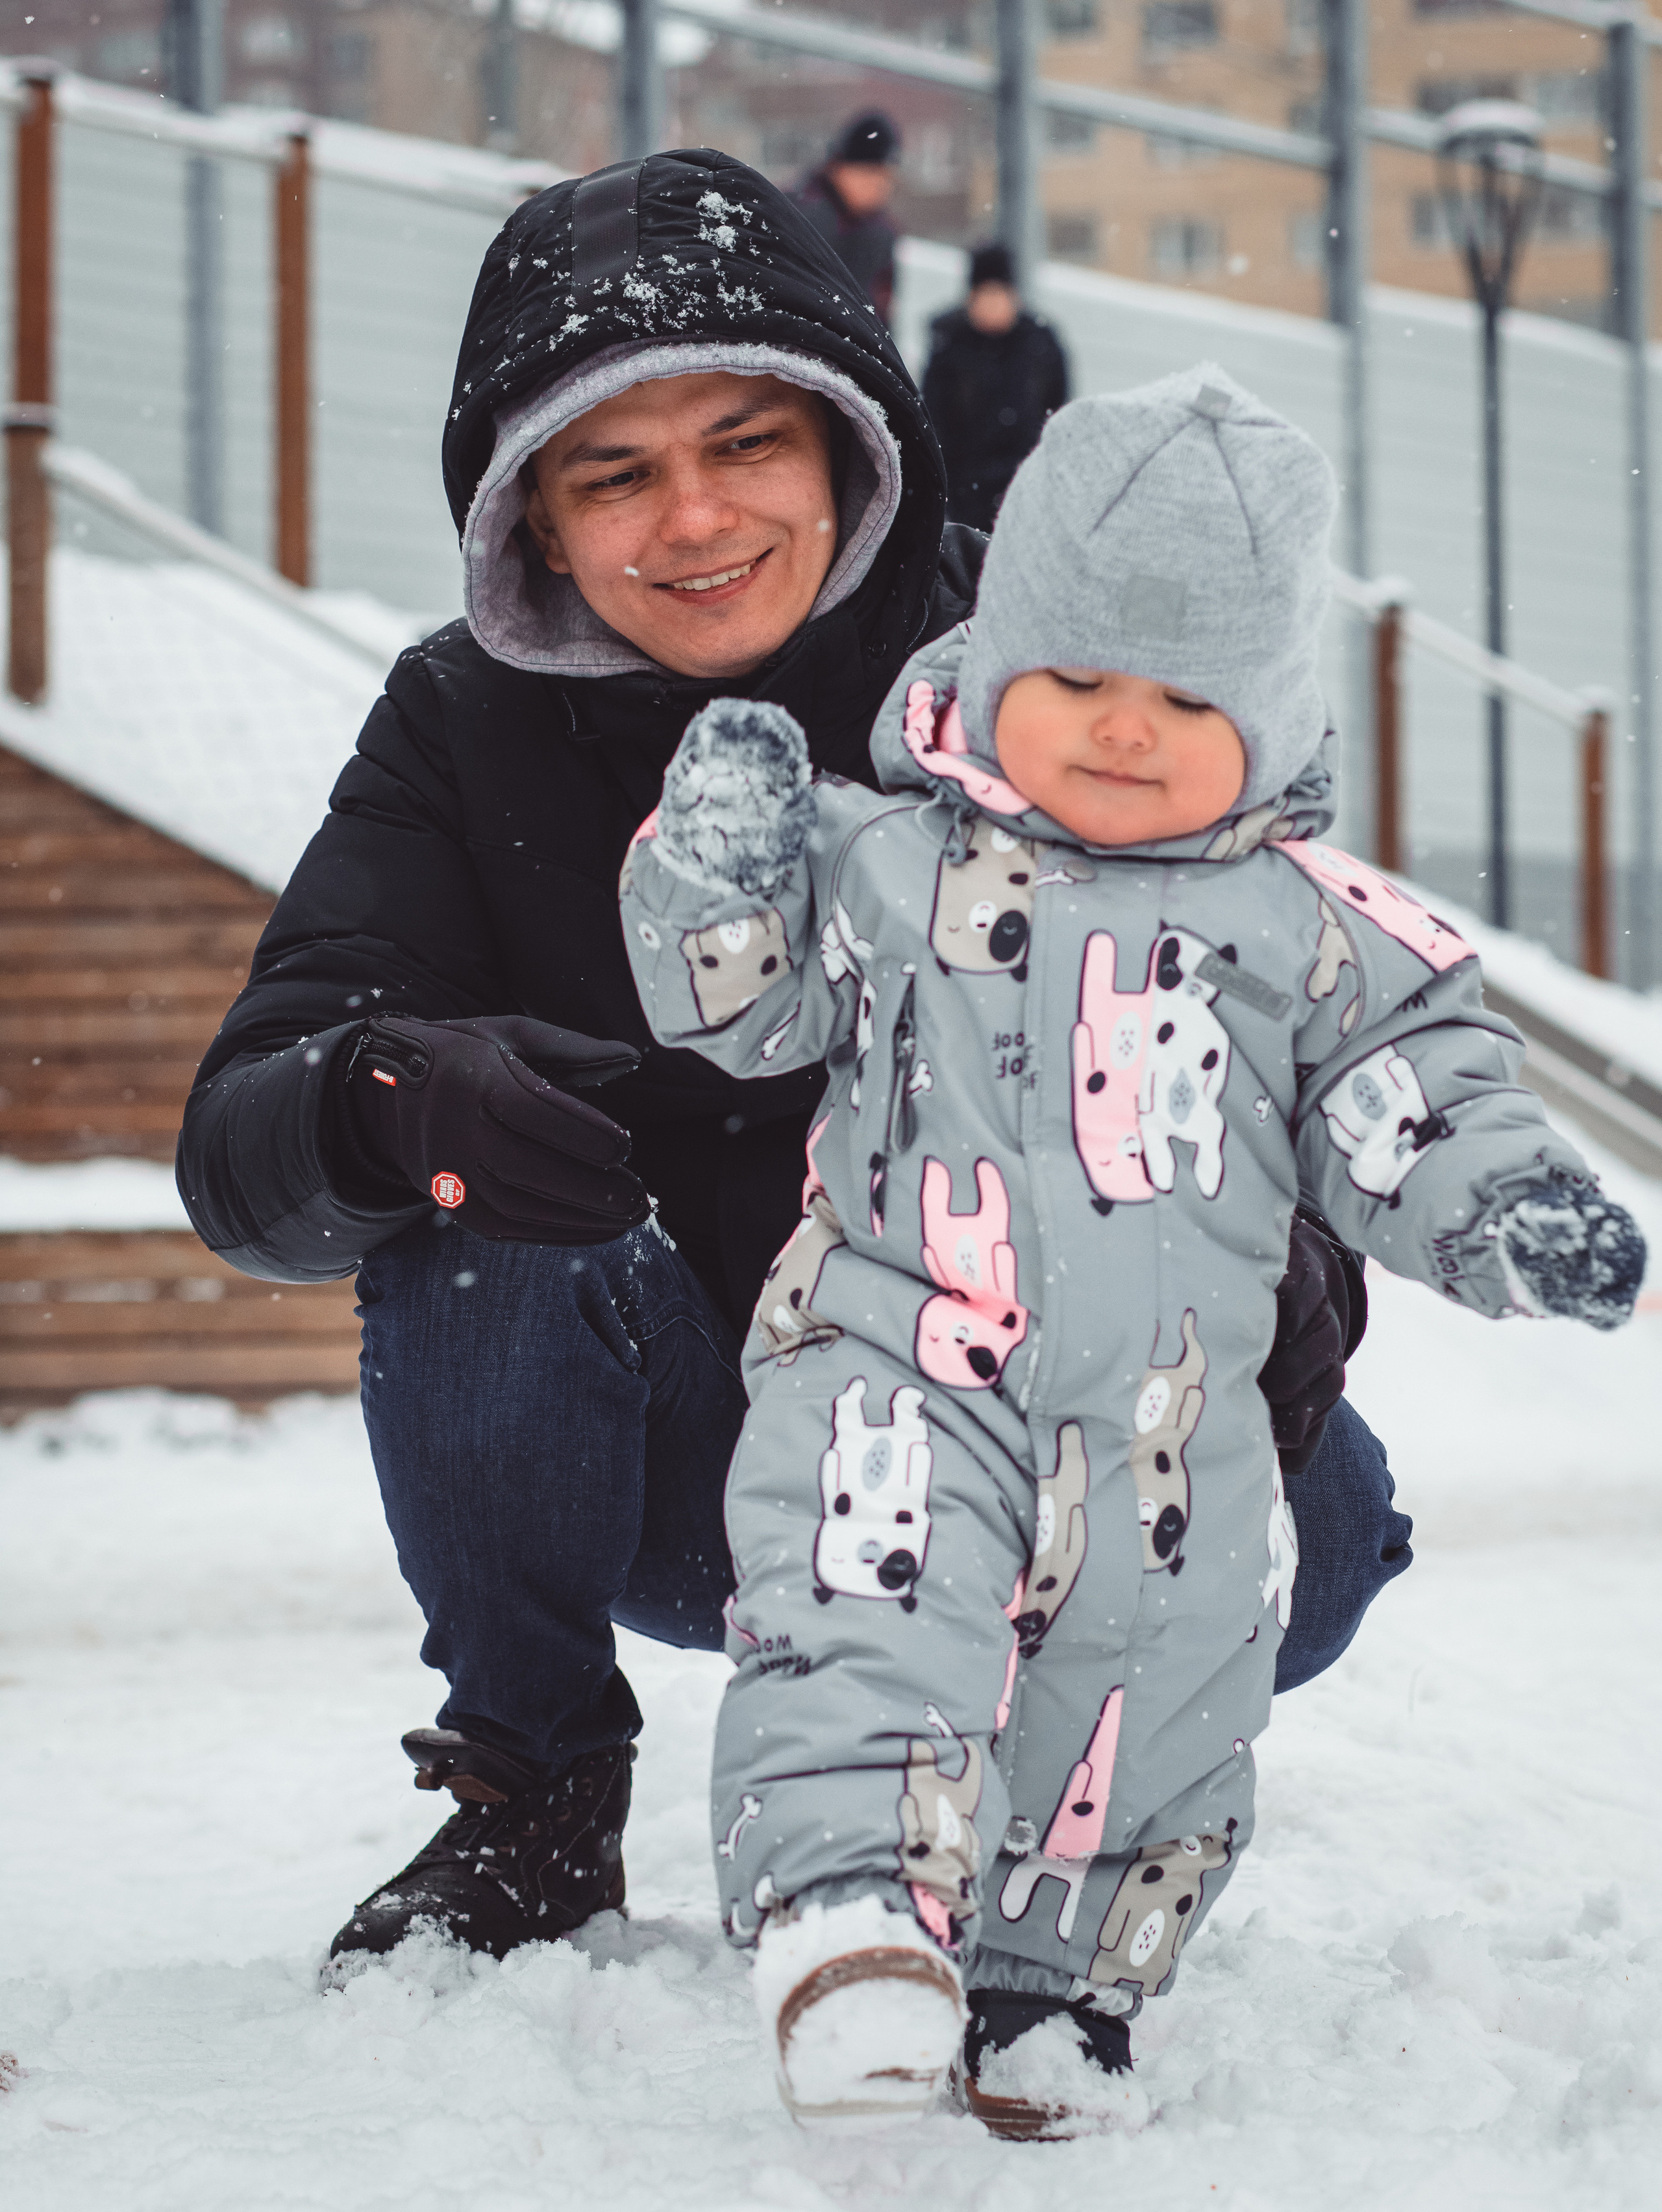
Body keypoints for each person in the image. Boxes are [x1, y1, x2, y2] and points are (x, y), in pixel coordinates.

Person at [176, 155, 1408, 1982]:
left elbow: (1284, 1019)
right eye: (615, 469)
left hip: (1032, 1445)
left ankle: (1017, 1745)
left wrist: (1291, 1245)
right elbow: (243, 1147)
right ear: (535, 515)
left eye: (744, 441)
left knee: (1294, 1503)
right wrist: (390, 1099)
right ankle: (534, 1787)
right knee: (455, 1184)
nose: (692, 516)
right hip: (693, 1471)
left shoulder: (1053, 689)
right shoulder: (461, 724)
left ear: (848, 441)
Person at [618, 366, 1645, 2136]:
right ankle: (850, 1917)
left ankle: (1054, 1991)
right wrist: (720, 866)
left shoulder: (1318, 935)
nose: (1118, 726)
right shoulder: (889, 865)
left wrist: (1501, 1199)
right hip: (902, 1353)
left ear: (1270, 712)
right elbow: (744, 1006)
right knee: (870, 1608)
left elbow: (1416, 1086)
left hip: (1173, 1411)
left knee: (1155, 1687)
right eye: (1073, 677)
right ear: (994, 666)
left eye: (1184, 695)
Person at [923, 242, 1069, 533]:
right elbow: (935, 419)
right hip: (966, 489)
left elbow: (1059, 411)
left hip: (1026, 482)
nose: (991, 304)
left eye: (999, 294)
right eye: (983, 295)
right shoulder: (950, 345)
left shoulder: (1040, 343)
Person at [792, 111, 902, 325]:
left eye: (886, 177)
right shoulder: (798, 214)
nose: (878, 185)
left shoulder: (882, 232)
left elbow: (882, 312)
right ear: (837, 168)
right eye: (868, 174)